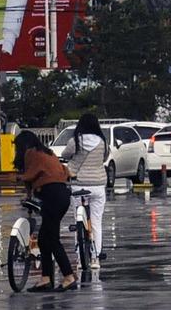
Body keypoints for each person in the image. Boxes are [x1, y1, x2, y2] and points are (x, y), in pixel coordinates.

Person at [15, 128, 77, 291]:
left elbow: (29, 176)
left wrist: (26, 193)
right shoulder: (47, 152)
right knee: (44, 238)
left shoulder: (30, 153)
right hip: (62, 195)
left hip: (52, 196)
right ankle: (46, 278)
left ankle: (69, 277)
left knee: (52, 239)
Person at [65, 113, 109, 265]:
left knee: (78, 219)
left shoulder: (75, 141)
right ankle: (96, 258)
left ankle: (79, 258)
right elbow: (104, 158)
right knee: (96, 221)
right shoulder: (102, 141)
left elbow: (65, 154)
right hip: (98, 185)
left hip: (79, 184)